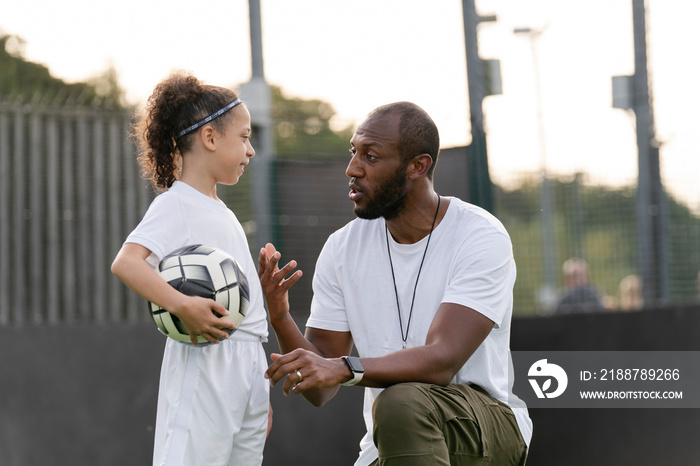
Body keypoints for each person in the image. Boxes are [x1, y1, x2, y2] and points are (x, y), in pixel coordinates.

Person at [259, 102, 531, 465]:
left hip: (486, 428)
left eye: (370, 156)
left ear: (417, 166)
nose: (352, 169)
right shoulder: (342, 247)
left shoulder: (479, 235)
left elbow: (442, 361)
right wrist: (280, 316)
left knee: (401, 401)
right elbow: (320, 389)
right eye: (353, 152)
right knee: (399, 407)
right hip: (389, 439)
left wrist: (345, 367)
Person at [111, 72, 270, 466]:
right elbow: (127, 263)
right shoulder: (176, 203)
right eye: (245, 137)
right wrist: (183, 306)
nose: (251, 151)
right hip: (206, 359)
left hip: (248, 363)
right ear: (210, 138)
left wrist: (254, 390)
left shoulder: (223, 211)